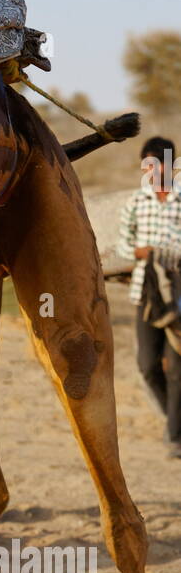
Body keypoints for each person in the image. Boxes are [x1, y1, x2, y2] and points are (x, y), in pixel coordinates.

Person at [117, 136, 181, 457]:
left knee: (176, 368)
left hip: (178, 292)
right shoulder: (136, 203)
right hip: (145, 291)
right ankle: (175, 418)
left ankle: (174, 438)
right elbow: (122, 244)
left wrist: (169, 254)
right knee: (146, 364)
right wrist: (139, 251)